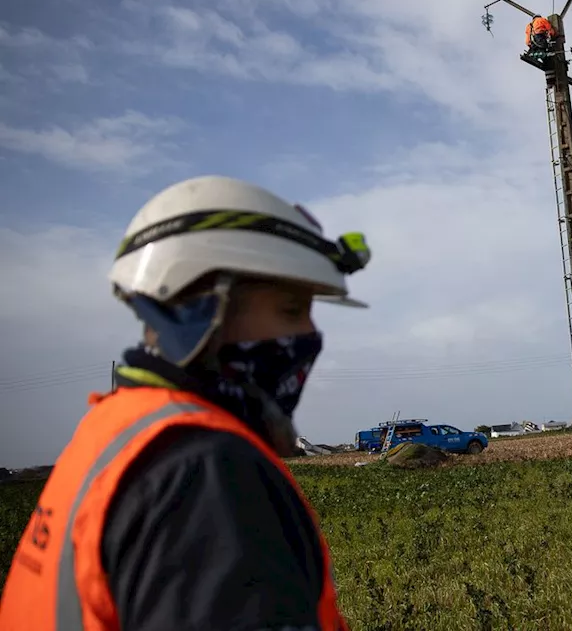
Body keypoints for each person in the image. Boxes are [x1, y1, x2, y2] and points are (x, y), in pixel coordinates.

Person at [0, 175, 371, 631]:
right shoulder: (204, 472)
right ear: (204, 309)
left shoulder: (118, 430)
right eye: (292, 310)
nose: (310, 336)